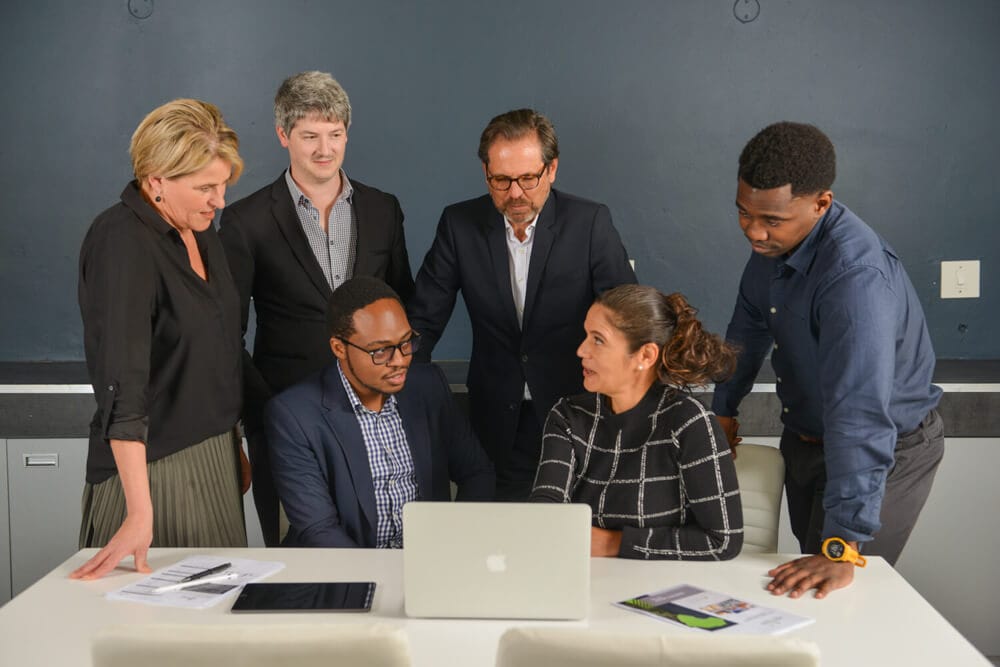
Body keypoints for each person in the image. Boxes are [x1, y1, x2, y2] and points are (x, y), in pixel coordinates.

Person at [712, 121, 944, 598]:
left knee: (842, 593)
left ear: (821, 203)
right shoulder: (771, 244)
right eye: (743, 212)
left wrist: (842, 545)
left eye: (771, 220)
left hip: (884, 452)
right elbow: (747, 332)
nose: (754, 232)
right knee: (801, 586)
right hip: (806, 441)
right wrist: (724, 409)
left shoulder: (855, 278)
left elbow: (860, 415)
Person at [219, 71, 415, 545]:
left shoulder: (383, 210)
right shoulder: (246, 221)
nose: (324, 149)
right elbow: (228, 334)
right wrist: (262, 415)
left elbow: (402, 306)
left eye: (335, 134)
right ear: (283, 135)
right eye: (310, 136)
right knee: (300, 559)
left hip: (375, 417)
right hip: (285, 418)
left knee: (381, 547)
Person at [407, 108, 636, 501]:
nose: (515, 193)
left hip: (579, 417)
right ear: (485, 173)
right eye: (501, 180)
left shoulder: (590, 223)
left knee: (570, 546)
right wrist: (393, 395)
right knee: (497, 549)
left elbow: (628, 322)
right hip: (497, 424)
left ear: (552, 169)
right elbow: (422, 322)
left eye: (528, 178)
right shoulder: (459, 225)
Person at [72, 99, 248, 581]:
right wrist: (138, 512)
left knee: (213, 644)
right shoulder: (121, 240)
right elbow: (122, 386)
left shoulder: (201, 231)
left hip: (213, 458)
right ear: (155, 181)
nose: (220, 201)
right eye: (205, 188)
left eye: (223, 186)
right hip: (151, 470)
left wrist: (232, 443)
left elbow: (220, 348)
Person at [265, 277, 494, 548]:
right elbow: (319, 530)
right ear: (339, 348)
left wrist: (450, 545)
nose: (400, 361)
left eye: (406, 343)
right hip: (346, 572)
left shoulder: (429, 386)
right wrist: (380, 578)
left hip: (430, 561)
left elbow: (477, 473)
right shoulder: (293, 415)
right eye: (381, 351)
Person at [530, 285, 743, 560]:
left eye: (598, 340)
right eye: (586, 336)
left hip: (664, 585)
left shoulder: (689, 421)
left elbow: (723, 541)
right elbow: (545, 508)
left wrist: (611, 543)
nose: (581, 350)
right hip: (584, 581)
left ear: (645, 356)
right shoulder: (567, 416)